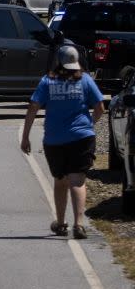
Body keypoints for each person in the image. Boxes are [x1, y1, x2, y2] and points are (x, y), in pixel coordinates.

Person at [20, 46, 104, 240]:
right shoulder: (85, 80)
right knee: (77, 180)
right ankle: (79, 224)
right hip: (82, 138)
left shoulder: (48, 81)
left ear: (58, 61)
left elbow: (33, 106)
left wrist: (26, 136)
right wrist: (90, 123)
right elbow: (100, 106)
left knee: (60, 180)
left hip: (55, 139)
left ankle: (60, 222)